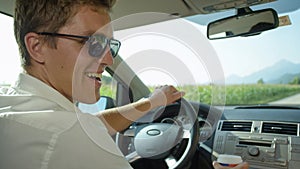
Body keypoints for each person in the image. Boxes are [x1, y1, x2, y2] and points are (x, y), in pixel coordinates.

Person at [0, 0, 249, 169]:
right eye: (93, 42)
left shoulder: (16, 105)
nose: (108, 59)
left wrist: (151, 103)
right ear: (37, 47)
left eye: (110, 45)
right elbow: (78, 132)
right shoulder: (72, 140)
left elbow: (93, 123)